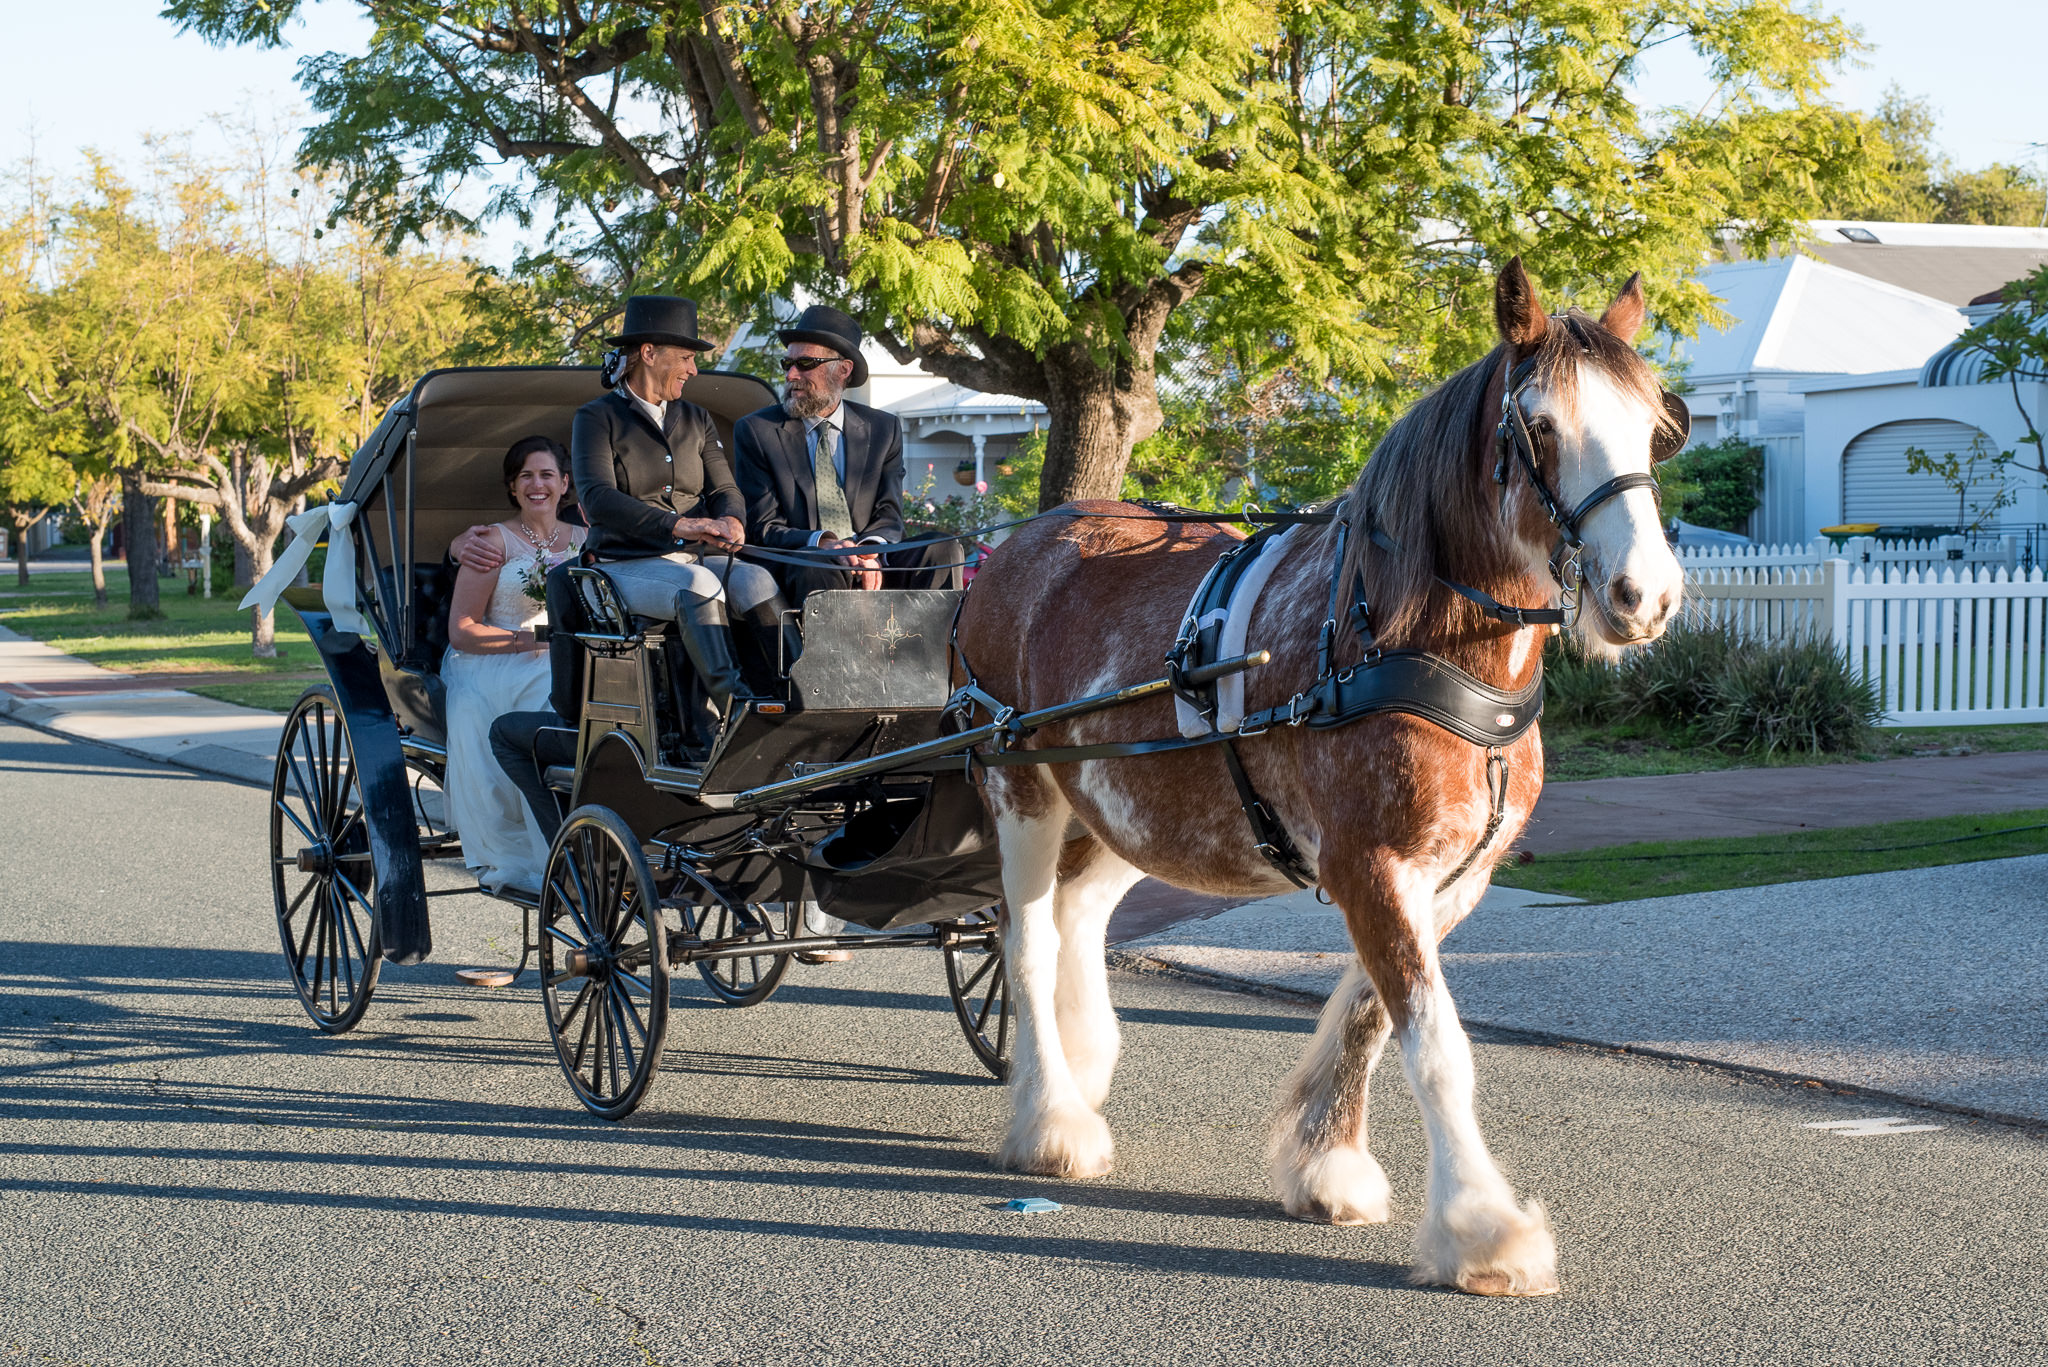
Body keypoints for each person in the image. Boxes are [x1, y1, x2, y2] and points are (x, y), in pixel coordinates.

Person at [733, 304, 963, 602]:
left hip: (872, 561)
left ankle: (933, 648)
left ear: (843, 370)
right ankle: (833, 649)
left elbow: (889, 513)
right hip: (805, 564)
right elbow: (763, 526)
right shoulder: (757, 430)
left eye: (805, 363)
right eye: (786, 363)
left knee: (942, 547)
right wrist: (824, 543)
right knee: (818, 563)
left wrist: (869, 550)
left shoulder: (883, 428)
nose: (791, 374)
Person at [440, 436, 583, 893]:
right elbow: (462, 630)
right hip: (495, 658)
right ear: (513, 486)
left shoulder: (586, 539)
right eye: (526, 476)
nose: (536, 485)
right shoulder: (489, 542)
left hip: (569, 651)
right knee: (549, 680)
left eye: (546, 475)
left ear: (564, 483)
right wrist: (529, 640)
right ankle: (541, 844)